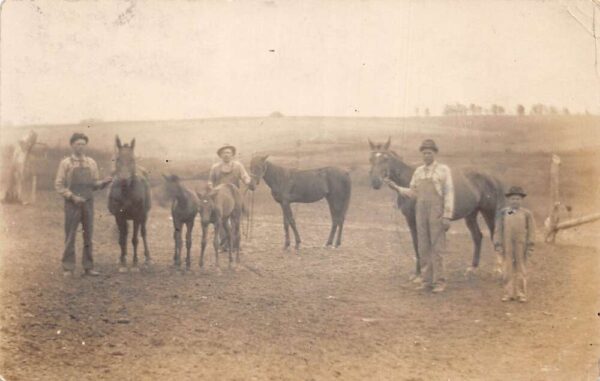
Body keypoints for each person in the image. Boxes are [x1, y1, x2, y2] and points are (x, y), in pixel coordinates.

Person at [384, 139, 454, 293]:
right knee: (423, 246)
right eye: (424, 153)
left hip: (436, 210)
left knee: (437, 247)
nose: (427, 156)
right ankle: (426, 280)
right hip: (420, 210)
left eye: (429, 153)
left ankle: (439, 282)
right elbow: (412, 192)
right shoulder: (419, 171)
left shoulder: (443, 170)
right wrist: (396, 188)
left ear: (435, 153)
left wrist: (447, 216)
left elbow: (449, 193)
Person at [55, 133, 112, 277]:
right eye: (78, 144)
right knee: (70, 235)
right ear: (72, 145)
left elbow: (94, 184)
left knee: (88, 236)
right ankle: (68, 267)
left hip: (88, 203)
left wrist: (104, 182)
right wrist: (72, 197)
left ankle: (88, 267)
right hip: (72, 205)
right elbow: (59, 185)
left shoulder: (91, 163)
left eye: (83, 144)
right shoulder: (66, 163)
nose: (81, 146)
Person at [493, 186, 536, 303]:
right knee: (507, 269)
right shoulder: (504, 213)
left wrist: (530, 245)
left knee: (521, 269)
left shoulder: (526, 214)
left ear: (521, 200)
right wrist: (498, 244)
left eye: (517, 199)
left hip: (521, 245)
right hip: (507, 245)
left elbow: (532, 231)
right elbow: (498, 229)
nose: (515, 201)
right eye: (512, 199)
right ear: (508, 200)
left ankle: (521, 294)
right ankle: (508, 293)